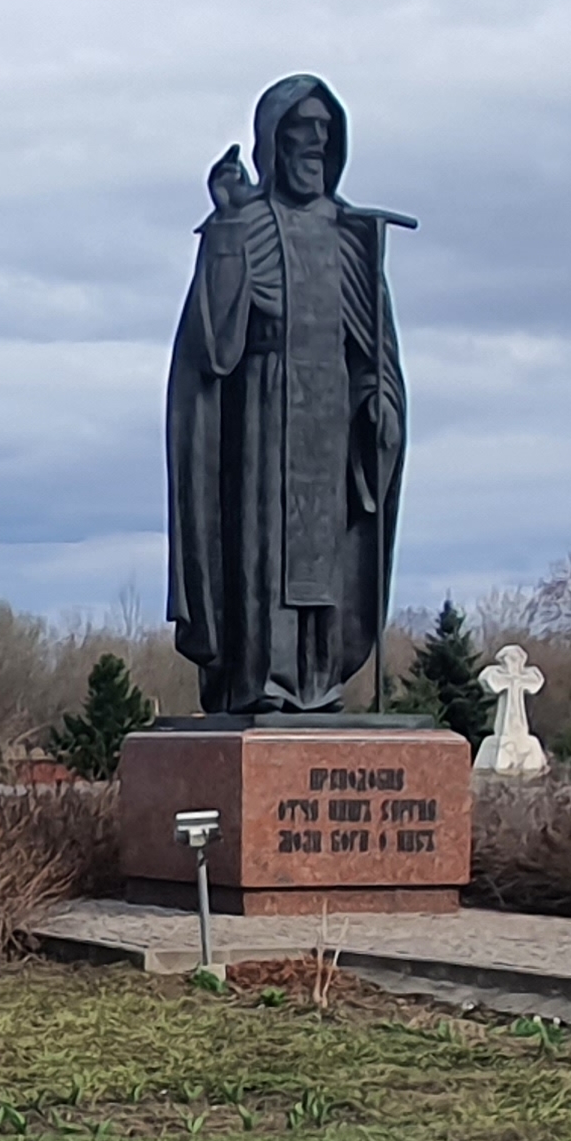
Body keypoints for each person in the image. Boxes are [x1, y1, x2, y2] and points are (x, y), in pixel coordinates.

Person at [164, 75, 412, 714]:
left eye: (323, 139)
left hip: (329, 421)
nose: (313, 149)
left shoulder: (351, 236)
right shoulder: (243, 227)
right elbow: (216, 347)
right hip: (260, 415)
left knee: (323, 560)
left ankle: (318, 681)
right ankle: (258, 683)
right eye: (299, 137)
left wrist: (380, 404)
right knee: (262, 554)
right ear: (273, 145)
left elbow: (374, 351)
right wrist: (225, 228)